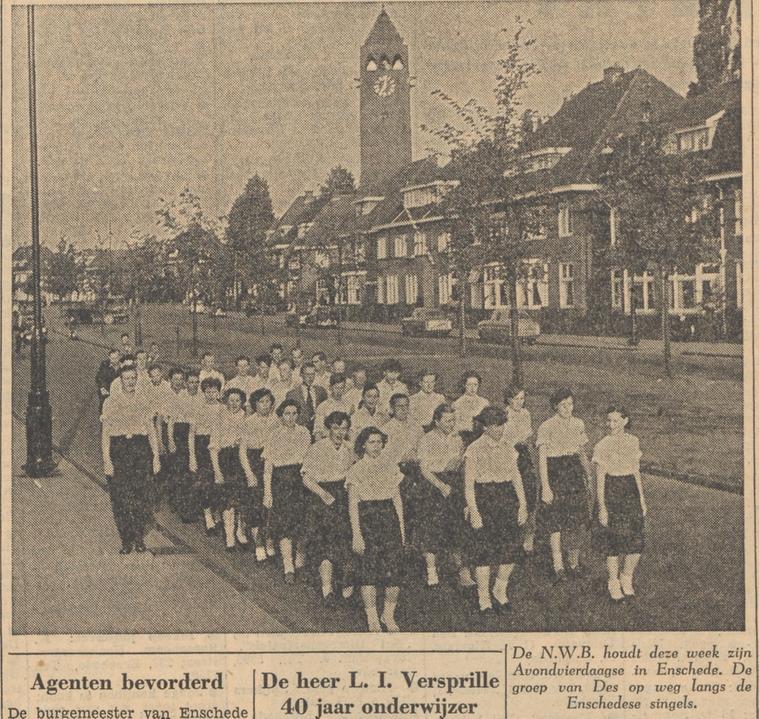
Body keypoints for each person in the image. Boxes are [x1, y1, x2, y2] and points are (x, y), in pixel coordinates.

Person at [464, 406, 527, 615]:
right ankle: (483, 597)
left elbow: (516, 477)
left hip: (506, 496)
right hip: (484, 497)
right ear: (484, 426)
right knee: (484, 551)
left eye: (502, 425)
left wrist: (523, 504)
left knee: (509, 548)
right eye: (494, 425)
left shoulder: (509, 447)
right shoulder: (474, 449)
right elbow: (469, 484)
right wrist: (474, 511)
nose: (499, 429)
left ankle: (500, 589)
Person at [346, 426, 406, 632]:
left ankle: (388, 615)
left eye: (379, 442)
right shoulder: (356, 470)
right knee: (369, 570)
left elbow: (396, 498)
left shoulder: (390, 465)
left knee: (393, 570)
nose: (376, 446)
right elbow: (353, 504)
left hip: (388, 516)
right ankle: (372, 617)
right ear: (363, 444)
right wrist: (357, 534)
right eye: (372, 442)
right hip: (367, 518)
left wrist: (402, 528)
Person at [100, 365, 161, 554]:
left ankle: (139, 537)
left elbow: (151, 430)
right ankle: (126, 540)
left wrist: (156, 457)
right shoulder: (110, 402)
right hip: (119, 449)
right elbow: (106, 434)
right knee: (120, 498)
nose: (130, 382)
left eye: (133, 378)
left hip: (140, 449)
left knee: (141, 496)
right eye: (127, 378)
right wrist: (107, 461)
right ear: (120, 380)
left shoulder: (144, 400)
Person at [536, 388, 593, 583]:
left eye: (570, 404)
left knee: (577, 519)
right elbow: (542, 459)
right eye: (563, 405)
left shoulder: (578, 424)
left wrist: (588, 477)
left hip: (574, 472)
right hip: (555, 472)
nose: (567, 408)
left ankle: (574, 563)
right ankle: (558, 565)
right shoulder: (546, 426)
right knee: (556, 520)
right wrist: (545, 486)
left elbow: (582, 453)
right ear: (555, 407)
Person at [416, 403, 474, 590]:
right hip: (433, 484)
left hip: (453, 483)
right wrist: (440, 485)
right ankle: (432, 571)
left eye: (453, 420)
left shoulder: (458, 439)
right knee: (432, 527)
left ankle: (463, 572)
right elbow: (424, 468)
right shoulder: (427, 439)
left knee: (458, 527)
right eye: (447, 420)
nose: (451, 424)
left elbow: (460, 465)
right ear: (436, 421)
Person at [302, 411, 356, 603]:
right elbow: (307, 478)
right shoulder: (317, 448)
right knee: (324, 541)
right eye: (335, 428)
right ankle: (327, 587)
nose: (340, 432)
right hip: (322, 496)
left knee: (343, 538)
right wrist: (323, 494)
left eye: (344, 428)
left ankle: (345, 581)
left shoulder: (350, 449)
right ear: (328, 429)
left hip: (342, 494)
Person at [593, 405, 646, 601]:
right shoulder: (603, 445)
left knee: (636, 541)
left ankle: (627, 577)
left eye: (616, 420)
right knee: (613, 541)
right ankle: (613, 581)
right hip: (612, 491)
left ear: (625, 420)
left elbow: (636, 471)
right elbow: (600, 480)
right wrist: (602, 507)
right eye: (609, 420)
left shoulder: (633, 441)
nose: (611, 425)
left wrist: (641, 498)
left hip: (630, 491)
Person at [262, 399, 313, 582]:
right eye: (287, 414)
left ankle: (299, 558)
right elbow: (268, 467)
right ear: (281, 415)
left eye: (294, 413)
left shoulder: (304, 433)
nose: (291, 417)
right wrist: (268, 492)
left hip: (300, 481)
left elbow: (309, 461)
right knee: (284, 523)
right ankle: (287, 565)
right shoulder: (274, 435)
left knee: (300, 521)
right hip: (281, 482)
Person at [240, 388, 281, 562]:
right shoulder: (248, 422)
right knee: (256, 504)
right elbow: (242, 451)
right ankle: (258, 543)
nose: (264, 405)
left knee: (272, 505)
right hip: (255, 462)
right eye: (261, 402)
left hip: (272, 463)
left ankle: (269, 540)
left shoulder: (277, 421)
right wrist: (249, 473)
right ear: (255, 404)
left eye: (267, 402)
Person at [209, 388, 249, 551]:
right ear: (226, 401)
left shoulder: (246, 419)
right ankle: (229, 535)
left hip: (243, 460)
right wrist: (217, 471)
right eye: (231, 400)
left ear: (242, 402)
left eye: (237, 401)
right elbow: (213, 447)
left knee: (242, 499)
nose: (234, 404)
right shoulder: (219, 418)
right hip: (226, 459)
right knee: (228, 500)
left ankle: (240, 531)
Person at [503, 385, 539, 555]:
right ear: (509, 399)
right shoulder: (504, 415)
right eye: (516, 399)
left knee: (530, 490)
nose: (519, 402)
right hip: (508, 455)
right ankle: (511, 535)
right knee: (510, 493)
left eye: (522, 399)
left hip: (523, 455)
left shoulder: (526, 414)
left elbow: (527, 437)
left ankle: (528, 536)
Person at [189, 377, 223, 535]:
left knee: (218, 482)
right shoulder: (198, 408)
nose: (211, 394)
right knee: (205, 483)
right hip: (202, 446)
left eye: (214, 391)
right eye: (208, 392)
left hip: (219, 447)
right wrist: (192, 456)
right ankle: (208, 516)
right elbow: (191, 434)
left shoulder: (223, 409)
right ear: (203, 392)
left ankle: (218, 513)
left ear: (219, 392)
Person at [164, 368, 197, 523]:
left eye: (180, 379)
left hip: (193, 435)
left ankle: (186, 504)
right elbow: (170, 421)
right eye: (191, 382)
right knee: (179, 470)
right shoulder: (176, 398)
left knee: (189, 472)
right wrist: (170, 440)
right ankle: (179, 503)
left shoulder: (197, 397)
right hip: (179, 434)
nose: (193, 385)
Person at [285, 363, 328, 434]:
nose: (310, 377)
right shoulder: (292, 394)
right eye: (307, 374)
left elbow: (326, 409)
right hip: (299, 433)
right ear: (301, 375)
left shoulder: (321, 391)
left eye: (312, 374)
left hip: (318, 432)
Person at [313, 373, 355, 440]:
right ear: (330, 388)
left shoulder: (349, 406)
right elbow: (318, 432)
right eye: (336, 388)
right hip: (327, 442)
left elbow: (351, 430)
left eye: (341, 388)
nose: (339, 391)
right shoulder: (323, 407)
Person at [452, 371, 489, 446]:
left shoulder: (484, 402)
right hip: (464, 438)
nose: (473, 388)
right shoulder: (457, 403)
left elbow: (488, 423)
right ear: (464, 385)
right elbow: (455, 426)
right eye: (469, 385)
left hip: (481, 438)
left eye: (475, 385)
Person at [96, 348, 122, 413]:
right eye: (112, 358)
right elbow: (99, 379)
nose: (115, 360)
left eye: (116, 358)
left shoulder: (124, 366)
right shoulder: (105, 366)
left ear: (119, 357)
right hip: (108, 393)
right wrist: (103, 388)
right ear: (109, 358)